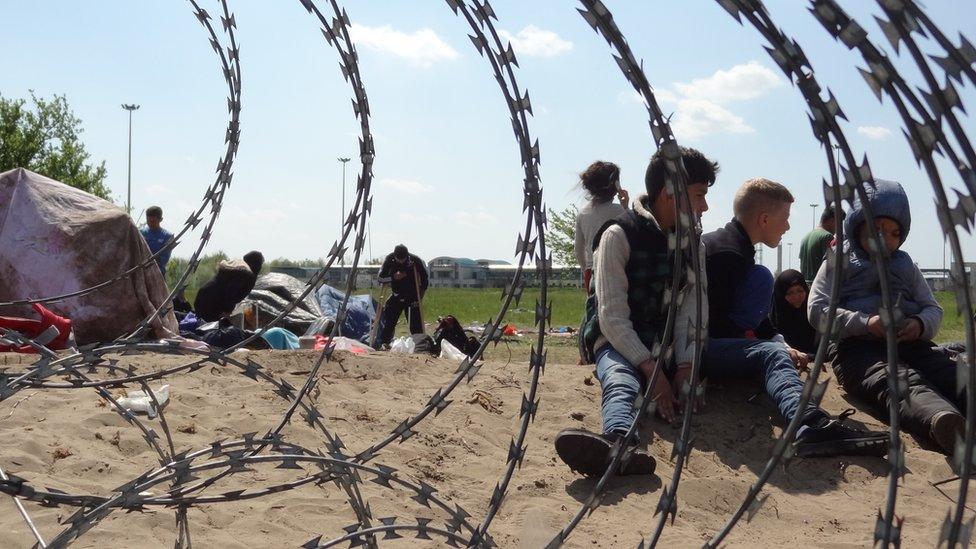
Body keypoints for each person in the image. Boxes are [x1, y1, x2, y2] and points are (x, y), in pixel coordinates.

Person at [554, 147, 717, 477]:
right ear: (669, 193)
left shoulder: (694, 246)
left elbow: (692, 308)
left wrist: (686, 365)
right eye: (699, 195)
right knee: (620, 380)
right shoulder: (618, 235)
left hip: (665, 345)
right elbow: (611, 316)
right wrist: (651, 369)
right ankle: (619, 442)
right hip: (618, 340)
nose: (705, 206)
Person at [703, 178, 888, 458]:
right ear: (764, 219)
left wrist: (781, 343)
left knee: (763, 286)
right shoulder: (726, 254)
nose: (788, 226)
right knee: (770, 354)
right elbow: (710, 323)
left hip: (710, 340)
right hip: (696, 349)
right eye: (786, 218)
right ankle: (810, 424)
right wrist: (768, 348)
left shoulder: (734, 248)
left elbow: (748, 317)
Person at [808, 179, 965, 454]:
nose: (885, 239)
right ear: (858, 225)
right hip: (856, 350)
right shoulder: (838, 260)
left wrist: (918, 324)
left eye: (894, 233)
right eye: (877, 229)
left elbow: (933, 308)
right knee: (899, 382)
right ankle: (944, 423)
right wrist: (866, 323)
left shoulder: (905, 264)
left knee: (949, 373)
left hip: (909, 343)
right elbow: (817, 308)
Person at [573, 161, 629, 293]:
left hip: (591, 272)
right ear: (616, 185)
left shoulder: (583, 214)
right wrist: (626, 207)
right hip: (617, 270)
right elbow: (631, 233)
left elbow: (578, 249)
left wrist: (586, 269)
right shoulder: (620, 211)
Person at [375, 245, 429, 348]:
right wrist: (393, 277)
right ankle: (384, 343)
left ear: (407, 256)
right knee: (389, 321)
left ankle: (419, 345)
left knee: (415, 324)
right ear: (395, 256)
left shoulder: (415, 260)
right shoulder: (389, 259)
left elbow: (424, 278)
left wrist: (421, 295)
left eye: (403, 259)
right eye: (398, 259)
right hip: (396, 295)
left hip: (412, 295)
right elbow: (381, 278)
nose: (401, 261)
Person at [194, 251, 265, 322]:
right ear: (257, 264)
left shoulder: (237, 267)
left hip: (203, 296)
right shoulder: (246, 274)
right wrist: (227, 311)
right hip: (212, 303)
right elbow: (231, 293)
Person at [771, 269, 817, 354]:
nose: (796, 297)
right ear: (781, 295)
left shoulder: (815, 316)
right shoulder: (769, 323)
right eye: (789, 293)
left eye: (800, 291)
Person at [799, 204, 844, 285]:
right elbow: (832, 268)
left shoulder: (805, 238)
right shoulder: (827, 237)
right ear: (832, 220)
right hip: (820, 286)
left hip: (806, 288)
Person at [139, 206, 175, 277]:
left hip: (158, 274)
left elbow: (164, 259)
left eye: (153, 221)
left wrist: (151, 259)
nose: (150, 223)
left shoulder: (168, 236)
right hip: (142, 273)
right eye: (148, 221)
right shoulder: (140, 233)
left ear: (160, 219)